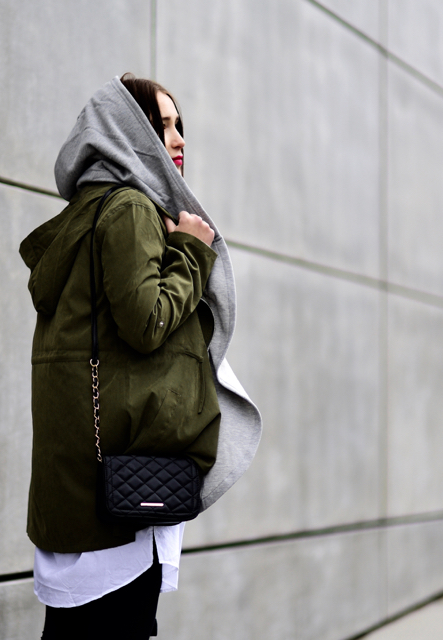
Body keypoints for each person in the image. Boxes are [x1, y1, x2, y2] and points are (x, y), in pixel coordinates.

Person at [19, 73, 262, 639]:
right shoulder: (129, 209)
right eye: (162, 126)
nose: (178, 140)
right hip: (120, 489)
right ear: (127, 133)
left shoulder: (89, 212)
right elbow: (147, 320)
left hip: (82, 481)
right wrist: (191, 250)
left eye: (179, 126)